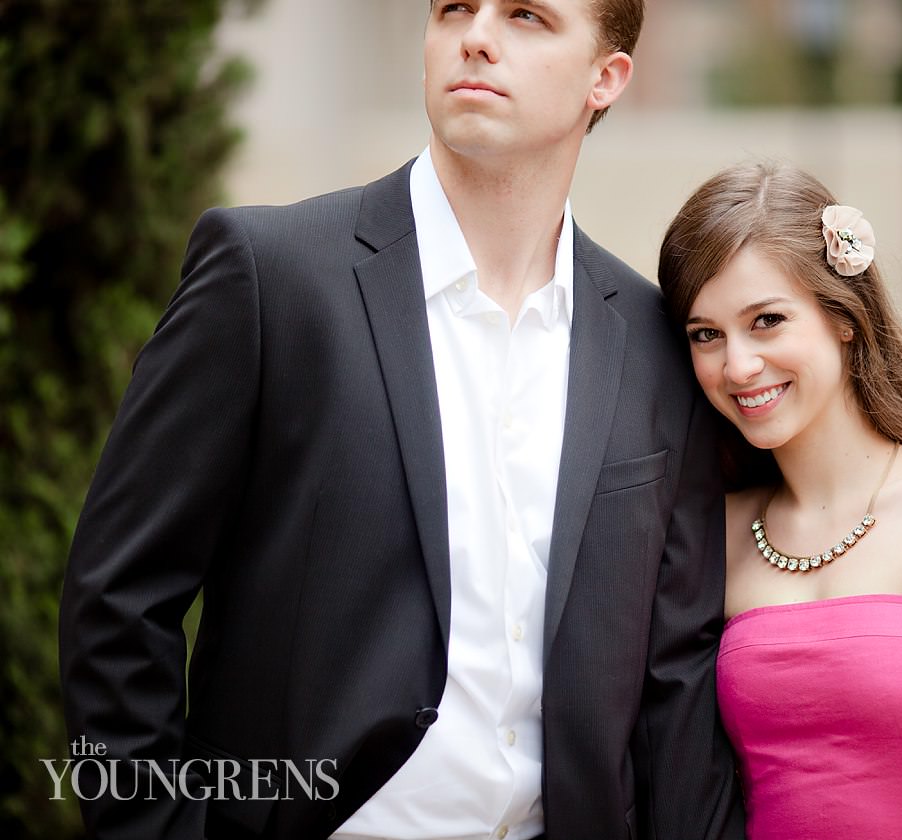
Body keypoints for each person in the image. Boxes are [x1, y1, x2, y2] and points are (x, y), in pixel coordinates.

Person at [58, 3, 744, 839]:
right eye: (455, 7)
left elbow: (674, 684)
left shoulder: (650, 341)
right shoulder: (271, 280)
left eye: (527, 16)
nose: (477, 35)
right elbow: (119, 596)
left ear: (606, 78)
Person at [657, 161, 902, 840]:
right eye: (705, 334)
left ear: (843, 317)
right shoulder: (711, 531)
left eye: (767, 321)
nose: (737, 365)